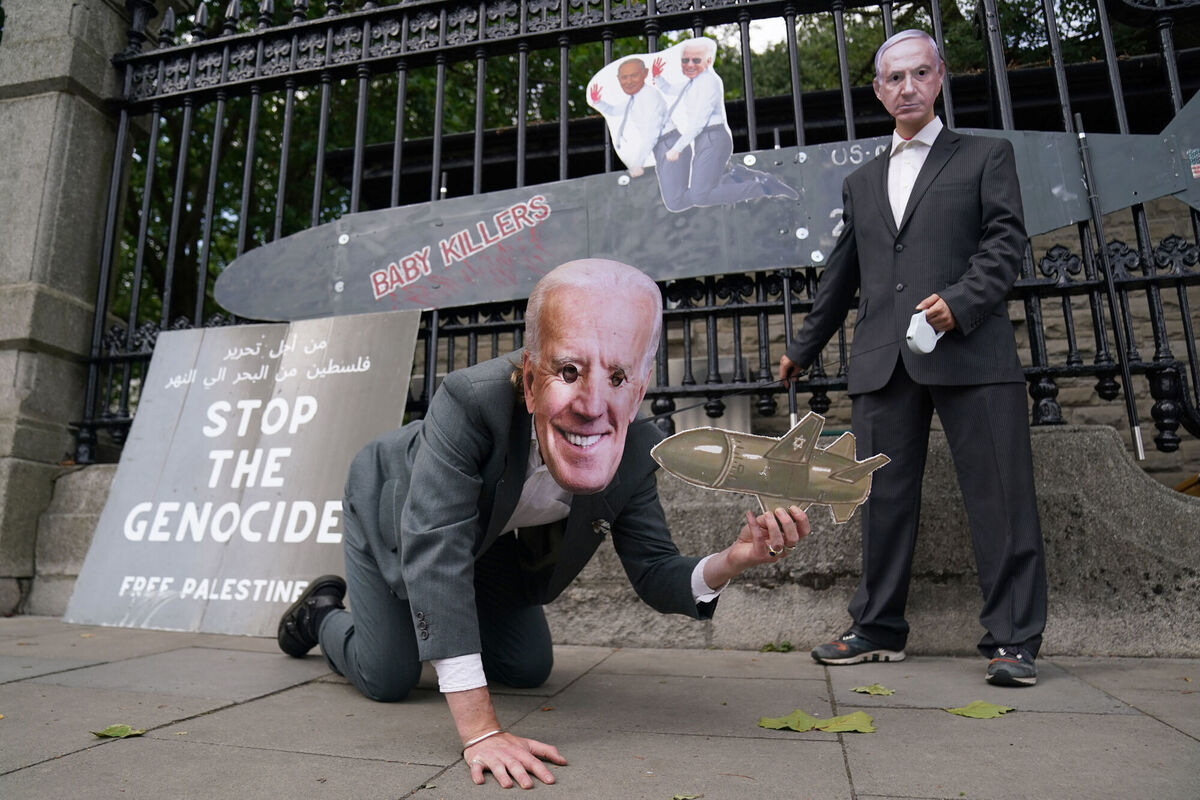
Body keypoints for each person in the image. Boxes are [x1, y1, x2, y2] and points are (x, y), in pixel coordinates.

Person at [279, 259, 811, 789]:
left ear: (640, 387)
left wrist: (735, 558)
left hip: (490, 543)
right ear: (531, 380)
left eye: (618, 376)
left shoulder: (635, 450)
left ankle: (440, 635)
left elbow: (654, 569)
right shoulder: (470, 401)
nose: (591, 406)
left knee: (529, 668)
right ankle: (320, 615)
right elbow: (436, 550)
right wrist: (481, 731)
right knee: (388, 676)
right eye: (570, 372)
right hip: (395, 515)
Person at [779, 29, 1047, 687]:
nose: (906, 87)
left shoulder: (987, 156)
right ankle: (877, 629)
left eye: (918, 74)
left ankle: (1012, 641)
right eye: (893, 77)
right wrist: (803, 349)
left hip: (972, 352)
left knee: (1001, 498)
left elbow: (1005, 243)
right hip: (881, 361)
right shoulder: (861, 180)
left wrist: (962, 301)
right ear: (878, 90)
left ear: (939, 78)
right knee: (880, 501)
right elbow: (843, 273)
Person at [652, 38, 797, 210]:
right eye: (685, 60)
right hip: (705, 140)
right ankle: (737, 176)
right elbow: (671, 90)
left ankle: (763, 187)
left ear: (708, 61)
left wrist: (677, 148)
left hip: (713, 138)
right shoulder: (692, 82)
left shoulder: (709, 82)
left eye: (695, 60)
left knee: (699, 195)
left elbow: (700, 120)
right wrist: (658, 77)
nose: (689, 64)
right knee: (687, 198)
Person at [587, 57, 667, 178]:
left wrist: (638, 164)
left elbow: (651, 131)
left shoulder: (648, 96)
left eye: (634, 75)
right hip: (658, 146)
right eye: (624, 77)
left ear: (645, 74)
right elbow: (614, 111)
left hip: (666, 144)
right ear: (618, 79)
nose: (629, 81)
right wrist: (598, 102)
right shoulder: (634, 98)